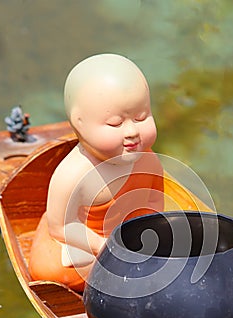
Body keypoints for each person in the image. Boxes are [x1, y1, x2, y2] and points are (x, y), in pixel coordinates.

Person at [28, 54, 164, 291]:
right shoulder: (73, 174)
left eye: (141, 117)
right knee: (49, 272)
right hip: (85, 240)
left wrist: (147, 231)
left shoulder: (148, 161)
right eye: (115, 123)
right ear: (79, 123)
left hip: (127, 233)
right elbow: (61, 227)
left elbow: (154, 200)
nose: (132, 131)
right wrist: (101, 245)